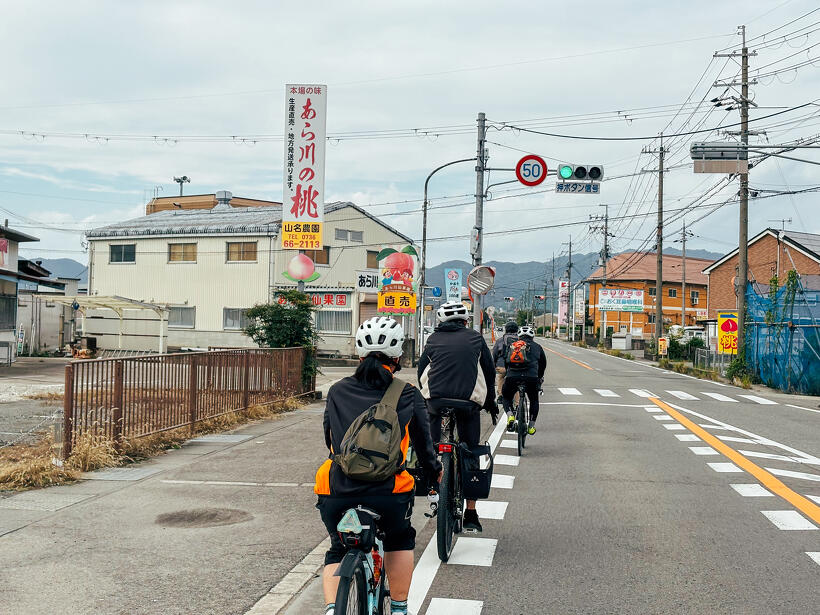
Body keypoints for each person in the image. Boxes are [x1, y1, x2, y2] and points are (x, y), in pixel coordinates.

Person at [315, 317, 441, 615]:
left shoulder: (338, 390)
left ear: (359, 353)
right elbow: (425, 447)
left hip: (336, 487)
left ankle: (334, 609)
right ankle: (398, 609)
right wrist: (434, 479)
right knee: (399, 539)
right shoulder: (408, 393)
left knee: (337, 547)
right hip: (388, 491)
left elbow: (329, 439)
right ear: (398, 356)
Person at [417, 300, 497, 533]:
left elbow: (422, 372)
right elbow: (489, 373)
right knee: (470, 449)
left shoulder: (432, 341)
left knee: (431, 446)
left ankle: (434, 488)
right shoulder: (475, 338)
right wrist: (490, 402)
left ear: (440, 322)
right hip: (467, 404)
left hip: (436, 402)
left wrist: (425, 402)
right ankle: (471, 511)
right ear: (465, 321)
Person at [502, 325, 547, 435]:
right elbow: (543, 364)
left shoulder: (512, 346)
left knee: (506, 397)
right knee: (534, 400)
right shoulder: (537, 347)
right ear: (532, 336)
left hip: (512, 377)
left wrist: (508, 374)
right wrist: (539, 378)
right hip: (531, 378)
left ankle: (510, 415)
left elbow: (506, 362)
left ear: (519, 336)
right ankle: (531, 426)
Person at [491, 321, 520, 405]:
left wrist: (494, 365)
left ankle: (500, 395)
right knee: (517, 383)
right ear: (517, 330)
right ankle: (518, 404)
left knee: (501, 377)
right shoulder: (520, 340)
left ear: (506, 329)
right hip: (516, 367)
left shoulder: (500, 340)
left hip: (502, 366)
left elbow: (495, 354)